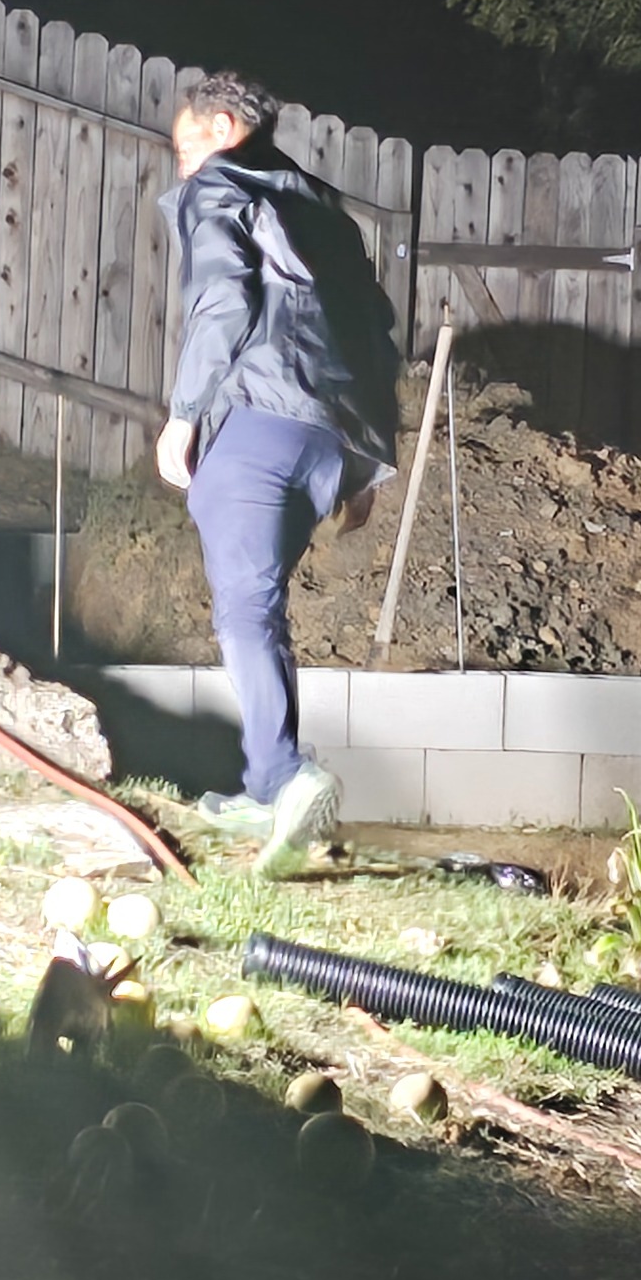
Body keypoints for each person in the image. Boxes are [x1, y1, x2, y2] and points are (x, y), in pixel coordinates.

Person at [155, 67, 402, 878]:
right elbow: (375, 331)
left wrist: (183, 415)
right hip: (330, 441)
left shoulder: (221, 186)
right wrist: (366, 470)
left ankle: (289, 778)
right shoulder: (325, 212)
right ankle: (266, 787)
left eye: (185, 147)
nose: (180, 166)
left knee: (244, 611)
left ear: (224, 128)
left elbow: (224, 304)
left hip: (261, 420)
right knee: (261, 610)